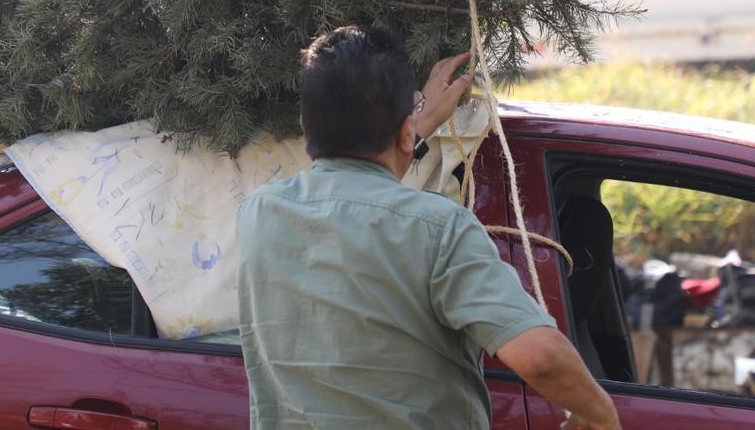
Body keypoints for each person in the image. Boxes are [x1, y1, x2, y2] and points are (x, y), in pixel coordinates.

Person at [236, 25, 620, 429]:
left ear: (304, 124)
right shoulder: (439, 228)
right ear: (404, 132)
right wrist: (600, 415)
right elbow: (540, 358)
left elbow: (350, 195)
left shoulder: (258, 214)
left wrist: (411, 129)